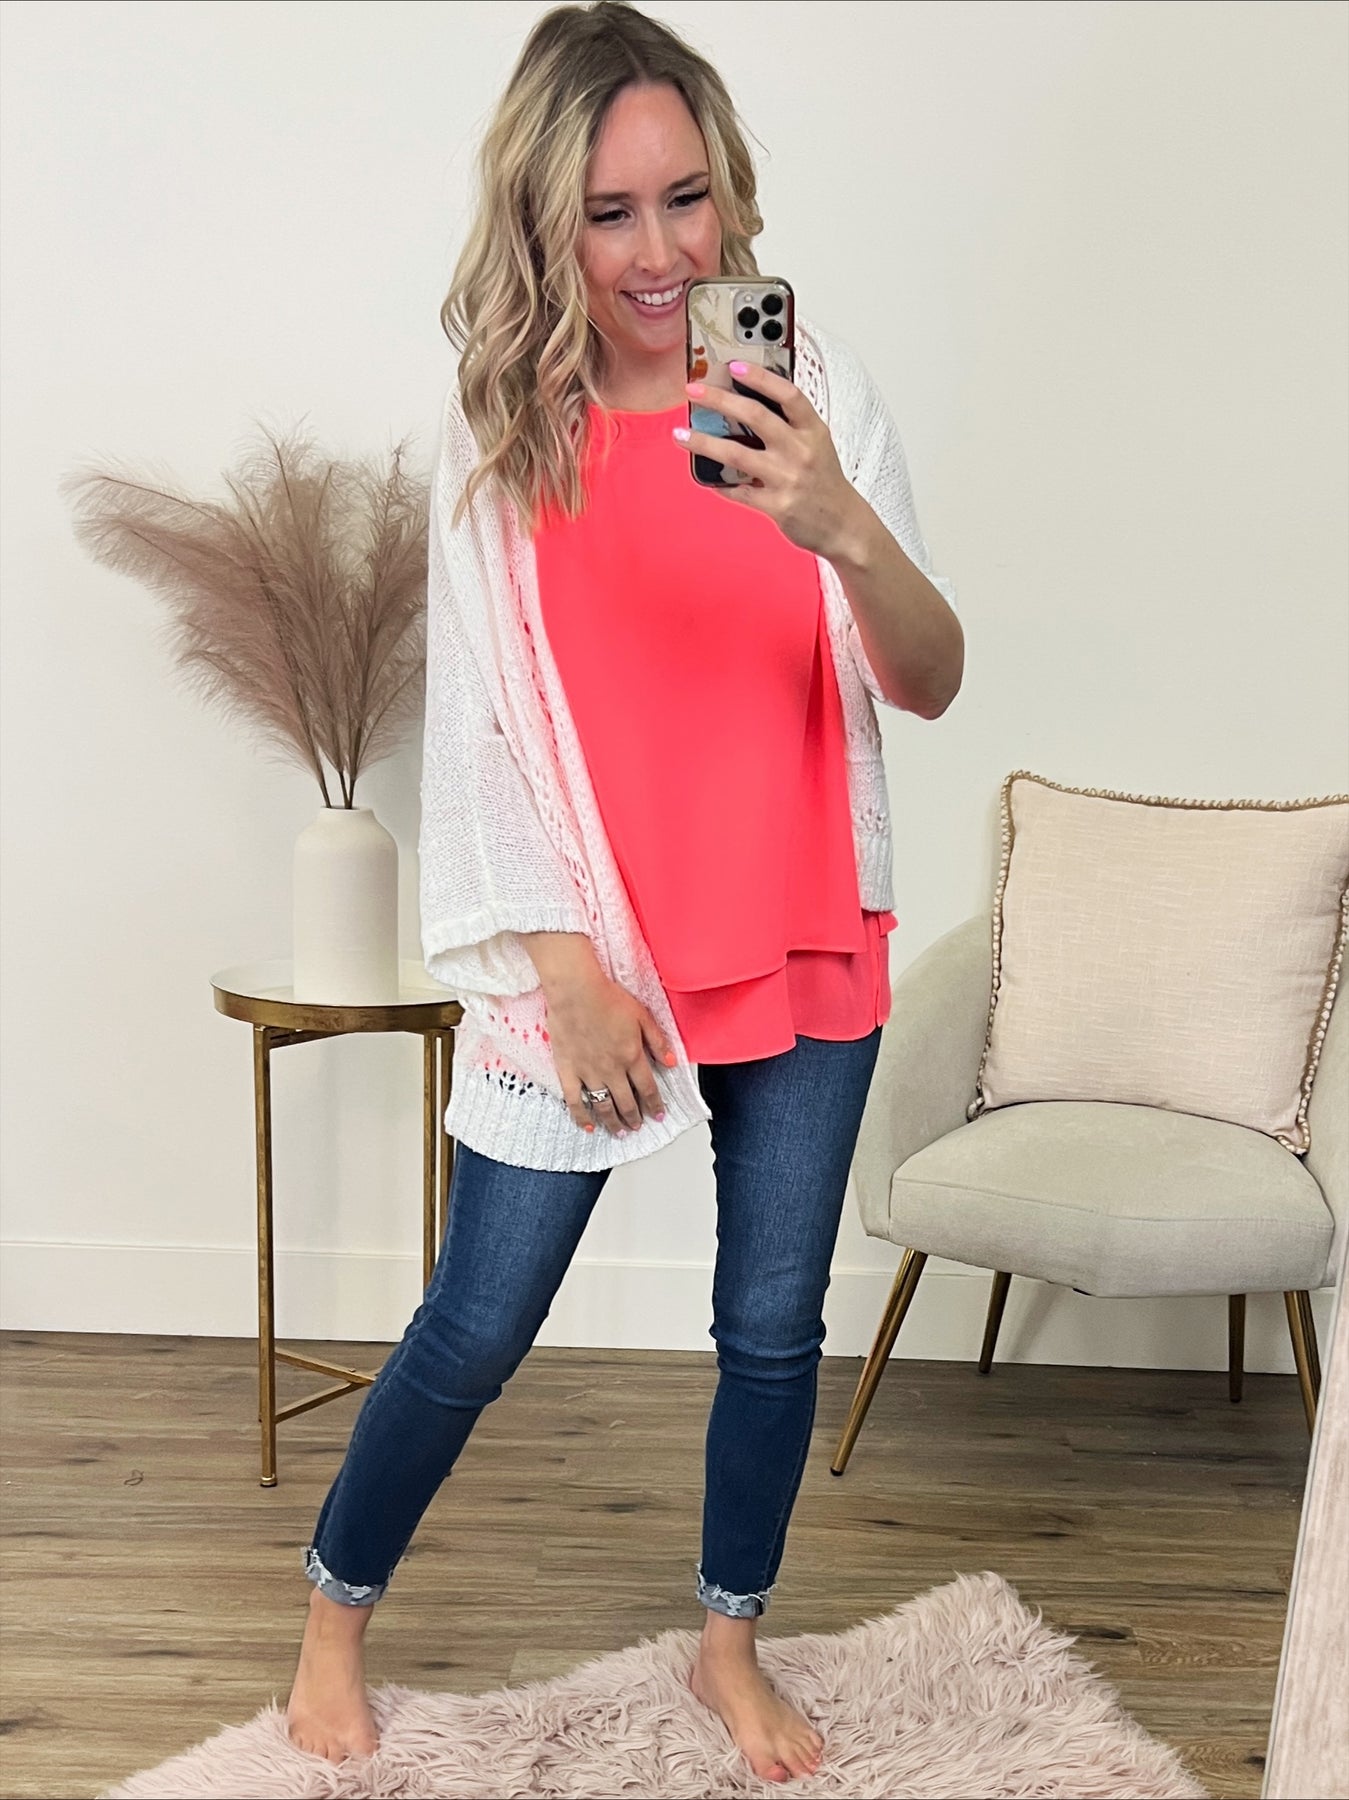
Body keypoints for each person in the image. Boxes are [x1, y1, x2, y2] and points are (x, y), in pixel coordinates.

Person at [285, 0, 963, 1783]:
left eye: (686, 198)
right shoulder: (504, 433)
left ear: (727, 191)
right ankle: (332, 1618)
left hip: (805, 933)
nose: (661, 253)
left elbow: (930, 678)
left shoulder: (813, 396)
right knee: (476, 1321)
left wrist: (839, 520)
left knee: (771, 1330)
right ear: (547, 225)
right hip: (594, 965)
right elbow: (479, 734)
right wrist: (564, 971)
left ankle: (727, 1643)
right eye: (610, 214)